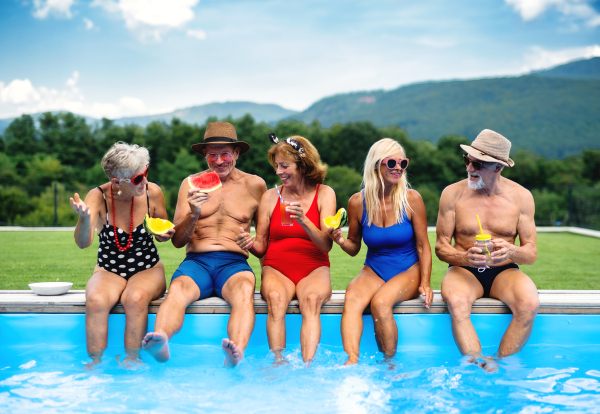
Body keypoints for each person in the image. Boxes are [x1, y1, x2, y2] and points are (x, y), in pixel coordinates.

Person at [142, 122, 267, 366]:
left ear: (237, 153)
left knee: (244, 293)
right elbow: (178, 241)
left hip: (234, 263)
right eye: (212, 154)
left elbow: (263, 240)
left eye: (225, 154)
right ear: (204, 155)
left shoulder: (256, 185)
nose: (219, 161)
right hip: (196, 262)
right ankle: (161, 340)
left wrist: (252, 245)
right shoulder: (189, 184)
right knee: (176, 291)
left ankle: (236, 351)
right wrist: (193, 213)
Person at [435, 129, 539, 368]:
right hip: (463, 270)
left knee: (529, 303)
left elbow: (531, 253)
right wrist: (464, 256)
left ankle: (501, 365)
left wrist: (512, 251)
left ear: (498, 167)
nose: (470, 168)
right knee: (457, 301)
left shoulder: (521, 197)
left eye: (478, 164)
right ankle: (478, 364)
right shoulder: (452, 194)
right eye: (467, 160)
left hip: (504, 271)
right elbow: (441, 247)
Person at [328, 138, 433, 365]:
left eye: (402, 163)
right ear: (376, 165)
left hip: (408, 268)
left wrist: (425, 282)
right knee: (352, 296)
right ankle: (352, 361)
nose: (398, 168)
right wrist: (340, 240)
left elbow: (424, 246)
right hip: (374, 268)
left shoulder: (411, 199)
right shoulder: (358, 202)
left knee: (381, 302)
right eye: (392, 162)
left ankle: (389, 364)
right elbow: (354, 246)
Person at [70, 142, 175, 367]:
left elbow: (161, 231)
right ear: (117, 181)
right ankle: (95, 363)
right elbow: (82, 243)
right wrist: (85, 219)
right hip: (108, 268)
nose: (145, 181)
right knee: (96, 300)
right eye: (138, 179)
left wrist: (163, 234)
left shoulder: (152, 192)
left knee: (135, 298)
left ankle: (133, 359)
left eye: (145, 173)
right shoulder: (97, 196)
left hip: (148, 267)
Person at [237, 135, 336, 364]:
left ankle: (308, 365)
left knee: (311, 300)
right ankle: (278, 362)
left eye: (284, 166)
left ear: (303, 165)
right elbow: (261, 248)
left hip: (314, 266)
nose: (278, 172)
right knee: (275, 298)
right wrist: (248, 243)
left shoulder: (325, 193)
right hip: (277, 267)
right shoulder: (271, 197)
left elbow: (326, 244)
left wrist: (304, 221)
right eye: (276, 166)